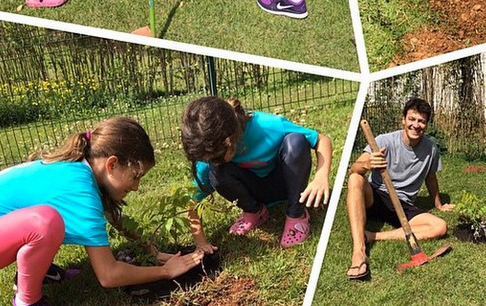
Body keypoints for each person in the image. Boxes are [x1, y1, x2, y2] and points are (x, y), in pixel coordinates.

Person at [0, 117, 202, 306]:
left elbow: (115, 218)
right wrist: (165, 271)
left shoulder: (79, 168)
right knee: (45, 223)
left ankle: (39, 270)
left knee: (51, 217)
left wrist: (153, 252)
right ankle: (26, 300)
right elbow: (109, 275)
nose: (137, 187)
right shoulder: (81, 191)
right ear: (112, 164)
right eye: (135, 177)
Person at [180, 96, 332, 250]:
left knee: (296, 142)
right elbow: (191, 203)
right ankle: (255, 211)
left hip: (287, 183)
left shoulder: (268, 125)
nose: (211, 161)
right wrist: (200, 242)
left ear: (229, 141)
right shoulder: (212, 155)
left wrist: (321, 176)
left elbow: (322, 140)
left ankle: (296, 214)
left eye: (214, 158)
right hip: (255, 192)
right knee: (217, 172)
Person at [345, 98, 453, 281]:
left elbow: (431, 177)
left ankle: (373, 235)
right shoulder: (383, 140)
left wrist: (439, 204)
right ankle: (359, 252)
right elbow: (354, 168)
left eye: (421, 121)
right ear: (403, 120)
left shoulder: (431, 149)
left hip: (403, 205)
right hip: (376, 195)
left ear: (426, 125)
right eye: (412, 119)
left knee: (440, 226)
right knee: (355, 178)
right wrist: (368, 163)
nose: (416, 125)